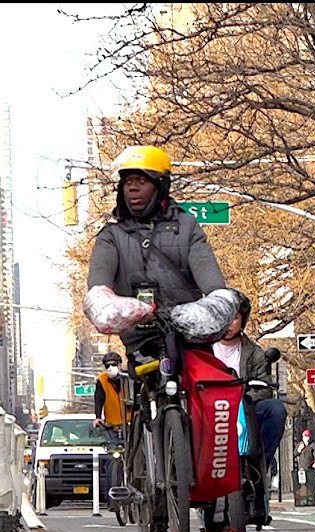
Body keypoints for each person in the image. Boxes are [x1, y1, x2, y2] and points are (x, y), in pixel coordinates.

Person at [84, 144, 232, 358]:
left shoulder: (187, 227)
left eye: (141, 181)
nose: (133, 188)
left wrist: (216, 304)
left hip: (189, 344)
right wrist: (114, 307)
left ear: (160, 186)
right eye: (128, 182)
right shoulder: (111, 236)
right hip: (141, 348)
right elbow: (98, 290)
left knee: (214, 377)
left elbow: (214, 286)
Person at [200, 291, 288, 532]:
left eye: (235, 318)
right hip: (210, 413)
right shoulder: (202, 350)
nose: (229, 324)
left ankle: (261, 465)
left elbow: (265, 387)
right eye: (224, 317)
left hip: (244, 409)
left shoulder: (255, 353)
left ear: (243, 320)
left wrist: (243, 397)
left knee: (275, 409)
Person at [92, 351, 129, 496]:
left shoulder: (128, 378)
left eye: (113, 365)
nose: (110, 368)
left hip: (131, 425)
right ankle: (111, 496)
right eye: (107, 366)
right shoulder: (102, 380)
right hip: (112, 427)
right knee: (112, 459)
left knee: (138, 457)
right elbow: (99, 399)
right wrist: (97, 417)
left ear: (120, 365)